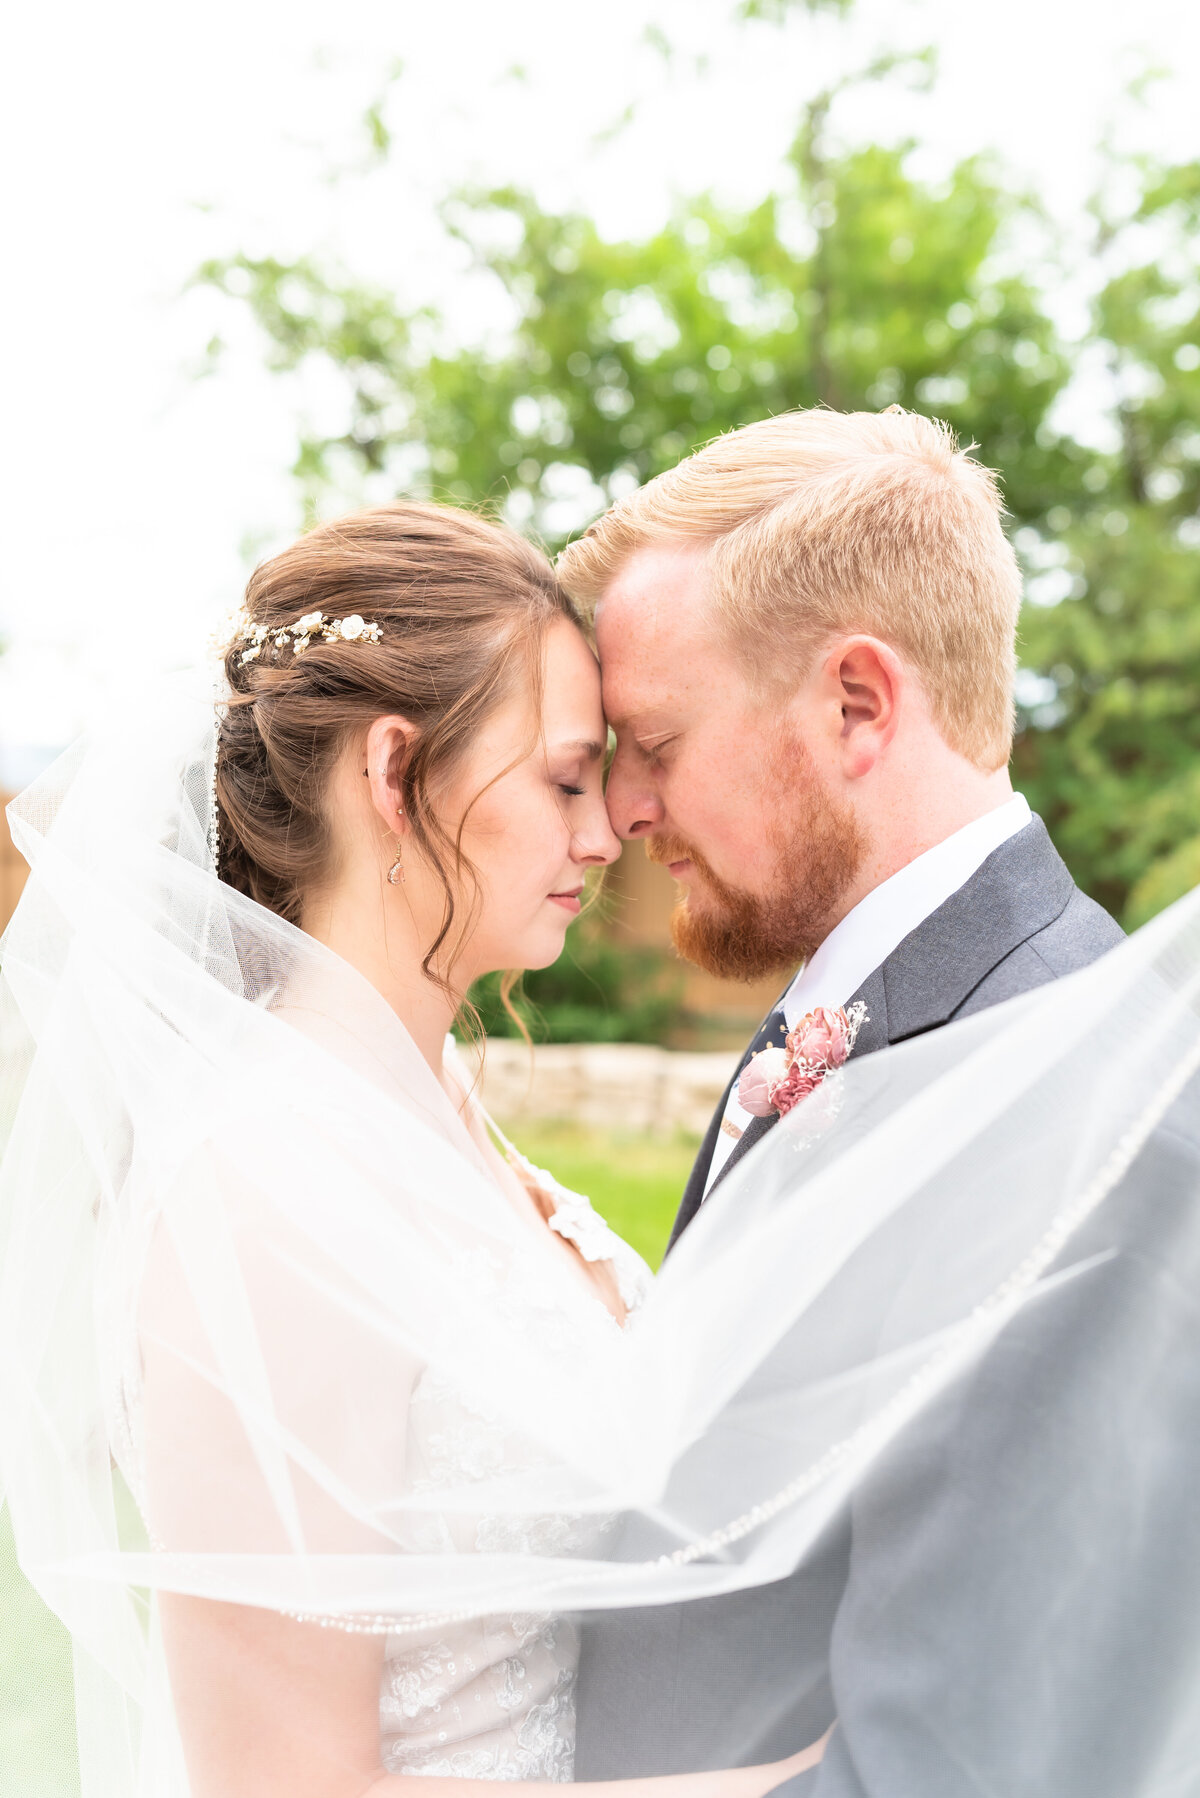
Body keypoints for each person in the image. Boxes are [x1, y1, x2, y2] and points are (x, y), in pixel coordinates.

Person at [0, 501, 823, 1797]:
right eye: (562, 778)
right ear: (393, 774)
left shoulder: (426, 1101)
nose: (605, 831)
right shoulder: (266, 1188)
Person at [556, 408, 1157, 1793]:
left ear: (857, 702)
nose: (625, 810)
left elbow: (973, 1758)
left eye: (652, 738)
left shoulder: (1078, 1100)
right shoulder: (858, 1002)